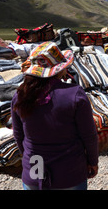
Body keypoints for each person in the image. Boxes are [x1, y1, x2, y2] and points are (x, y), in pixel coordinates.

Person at [11, 41, 99, 190]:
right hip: (70, 173)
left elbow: (19, 135)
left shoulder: (20, 96)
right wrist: (92, 161)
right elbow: (89, 135)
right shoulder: (74, 94)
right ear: (59, 69)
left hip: (34, 172)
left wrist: (28, 159)